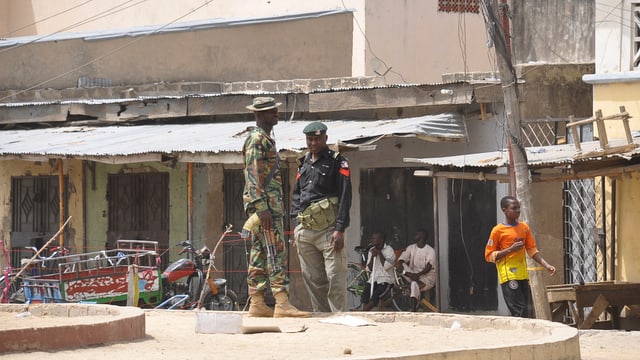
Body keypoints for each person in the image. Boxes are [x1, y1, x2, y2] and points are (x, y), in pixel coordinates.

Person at [242, 96, 310, 318]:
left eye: (276, 110)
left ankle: (257, 302)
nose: (276, 114)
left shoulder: (265, 138)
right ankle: (281, 303)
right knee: (275, 252)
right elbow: (253, 175)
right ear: (260, 115)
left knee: (260, 254)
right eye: (271, 111)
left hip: (268, 207)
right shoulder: (256, 139)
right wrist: (262, 207)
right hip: (266, 208)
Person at [291, 121, 353, 312]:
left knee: (335, 277)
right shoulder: (303, 163)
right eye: (310, 139)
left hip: (329, 230)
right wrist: (296, 226)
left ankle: (339, 317)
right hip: (305, 231)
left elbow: (345, 195)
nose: (313, 143)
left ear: (325, 138)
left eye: (317, 139)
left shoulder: (337, 161)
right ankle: (322, 318)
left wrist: (340, 229)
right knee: (313, 278)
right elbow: (297, 196)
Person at [484, 195, 556, 318]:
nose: (518, 211)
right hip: (508, 275)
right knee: (519, 310)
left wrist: (546, 265)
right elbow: (489, 255)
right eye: (514, 208)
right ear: (504, 210)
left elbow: (532, 249)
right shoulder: (497, 231)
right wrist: (510, 250)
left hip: (523, 275)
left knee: (526, 310)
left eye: (519, 208)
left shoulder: (524, 228)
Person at [396, 228, 437, 312]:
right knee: (401, 265)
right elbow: (403, 258)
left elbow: (429, 267)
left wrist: (417, 275)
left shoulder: (430, 250)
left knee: (414, 284)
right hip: (412, 274)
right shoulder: (411, 247)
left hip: (427, 277)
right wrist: (400, 263)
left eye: (417, 234)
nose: (414, 235)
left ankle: (413, 309)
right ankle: (411, 277)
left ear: (422, 236)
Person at [361, 231, 395, 311]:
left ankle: (364, 311)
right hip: (374, 278)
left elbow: (387, 267)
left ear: (381, 239)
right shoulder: (371, 250)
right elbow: (369, 269)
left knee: (376, 295)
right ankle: (365, 310)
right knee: (365, 293)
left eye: (374, 238)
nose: (372, 240)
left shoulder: (389, 250)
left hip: (386, 279)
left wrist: (379, 253)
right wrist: (372, 257)